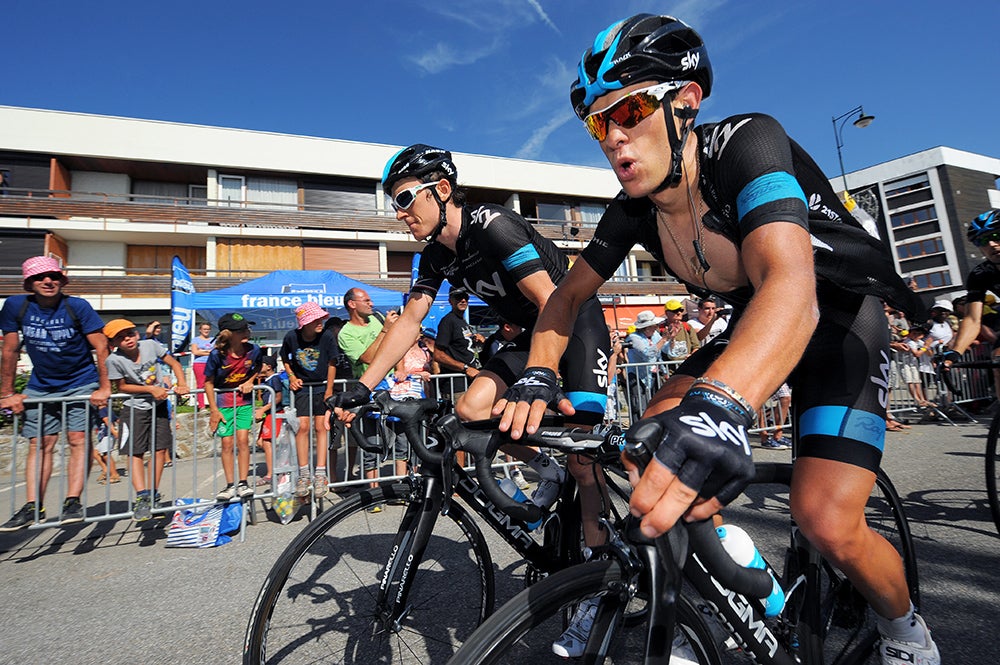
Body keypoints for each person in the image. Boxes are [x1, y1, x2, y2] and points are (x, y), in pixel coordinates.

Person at [496, 14, 936, 663]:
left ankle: (908, 635)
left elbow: (789, 280)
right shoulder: (633, 209)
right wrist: (536, 373)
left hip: (836, 318)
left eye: (632, 109)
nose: (614, 138)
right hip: (759, 323)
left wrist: (724, 406)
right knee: (653, 453)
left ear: (686, 102)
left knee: (826, 519)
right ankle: (750, 599)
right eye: (599, 123)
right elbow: (565, 296)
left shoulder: (746, 143)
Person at [333, 144, 610, 539]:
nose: (399, 212)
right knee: (471, 408)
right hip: (532, 333)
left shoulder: (492, 225)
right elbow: (411, 321)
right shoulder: (434, 257)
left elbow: (550, 300)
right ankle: (549, 470)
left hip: (574, 323)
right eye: (393, 203)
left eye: (405, 198)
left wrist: (540, 373)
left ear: (442, 189)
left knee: (584, 457)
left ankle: (598, 557)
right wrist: (363, 386)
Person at [0, 256, 111, 531]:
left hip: (80, 380)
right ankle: (31, 505)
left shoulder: (77, 306)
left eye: (53, 276)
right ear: (29, 283)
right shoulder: (16, 306)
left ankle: (72, 501)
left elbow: (102, 347)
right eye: (40, 277)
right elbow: (10, 350)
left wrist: (104, 387)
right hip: (41, 384)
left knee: (78, 439)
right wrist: (6, 393)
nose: (47, 281)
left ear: (62, 280)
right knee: (40, 443)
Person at [103, 319, 189, 521]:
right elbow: (121, 387)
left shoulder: (150, 345)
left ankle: (152, 493)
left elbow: (174, 363)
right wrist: (150, 389)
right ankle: (142, 496)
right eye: (121, 337)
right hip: (134, 408)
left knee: (160, 449)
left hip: (158, 406)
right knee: (135, 452)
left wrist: (182, 383)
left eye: (130, 334)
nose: (128, 339)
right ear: (114, 342)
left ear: (137, 333)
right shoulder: (113, 360)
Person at [280, 301, 339, 499]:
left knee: (322, 426)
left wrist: (329, 389)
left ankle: (321, 473)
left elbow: (332, 362)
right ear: (304, 323)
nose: (321, 322)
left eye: (321, 318)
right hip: (303, 387)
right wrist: (291, 376)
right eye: (315, 320)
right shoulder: (291, 337)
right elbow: (285, 358)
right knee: (302, 427)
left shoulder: (327, 336)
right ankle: (304, 473)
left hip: (322, 385)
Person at [204, 313, 263, 502]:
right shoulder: (217, 355)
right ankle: (230, 485)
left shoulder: (253, 350)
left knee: (243, 439)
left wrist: (251, 381)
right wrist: (214, 410)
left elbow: (257, 368)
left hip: (244, 402)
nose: (248, 331)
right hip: (224, 403)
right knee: (227, 443)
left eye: (247, 328)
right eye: (242, 329)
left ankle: (243, 482)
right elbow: (208, 382)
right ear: (230, 334)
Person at [946, 210, 1000, 404]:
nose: (991, 244)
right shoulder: (980, 274)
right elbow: (972, 319)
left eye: (996, 236)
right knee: (998, 363)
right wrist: (954, 353)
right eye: (983, 241)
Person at [433, 288, 484, 399]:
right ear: (450, 300)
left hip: (469, 382)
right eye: (458, 297)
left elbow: (462, 347)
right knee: (459, 416)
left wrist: (479, 342)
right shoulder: (448, 321)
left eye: (465, 297)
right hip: (455, 386)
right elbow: (438, 355)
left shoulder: (462, 321)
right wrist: (465, 368)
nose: (463, 300)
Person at [625, 309, 665, 418]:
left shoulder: (656, 335)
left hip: (653, 374)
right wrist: (665, 339)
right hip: (637, 375)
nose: (656, 327)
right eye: (654, 325)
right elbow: (647, 353)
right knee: (638, 403)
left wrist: (672, 339)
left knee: (656, 403)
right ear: (647, 327)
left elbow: (666, 350)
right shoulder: (633, 337)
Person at [254, 355, 284, 487]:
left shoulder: (275, 379)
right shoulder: (267, 380)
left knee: (267, 442)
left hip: (275, 413)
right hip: (269, 413)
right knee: (261, 442)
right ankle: (277, 468)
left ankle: (271, 474)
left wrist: (263, 409)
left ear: (268, 367)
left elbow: (278, 398)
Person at [660, 298, 700, 363]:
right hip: (668, 368)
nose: (679, 313)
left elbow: (696, 346)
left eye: (681, 310)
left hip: (686, 366)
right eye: (675, 310)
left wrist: (691, 356)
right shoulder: (660, 328)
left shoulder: (687, 326)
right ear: (666, 313)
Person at [91, 406, 122, 485]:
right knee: (95, 452)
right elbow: (117, 420)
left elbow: (107, 420)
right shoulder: (108, 409)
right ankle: (105, 469)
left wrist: (114, 432)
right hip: (104, 435)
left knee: (106, 454)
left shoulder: (102, 410)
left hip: (107, 434)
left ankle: (114, 475)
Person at [190, 322, 215, 408]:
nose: (206, 331)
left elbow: (215, 352)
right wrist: (208, 352)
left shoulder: (213, 340)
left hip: (211, 363)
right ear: (200, 330)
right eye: (204, 329)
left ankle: (213, 404)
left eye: (208, 329)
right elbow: (195, 351)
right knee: (200, 384)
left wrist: (202, 351)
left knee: (212, 383)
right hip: (199, 363)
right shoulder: (195, 340)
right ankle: (201, 405)